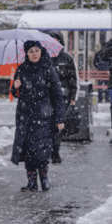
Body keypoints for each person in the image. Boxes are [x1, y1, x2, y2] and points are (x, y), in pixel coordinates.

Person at [10, 41, 65, 192]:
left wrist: (60, 118)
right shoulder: (21, 69)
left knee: (42, 150)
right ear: (26, 54)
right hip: (24, 116)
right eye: (31, 51)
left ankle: (44, 179)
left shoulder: (48, 69)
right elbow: (16, 94)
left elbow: (58, 95)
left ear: (41, 51)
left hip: (43, 116)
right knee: (27, 150)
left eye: (37, 50)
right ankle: (31, 182)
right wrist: (15, 87)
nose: (34, 54)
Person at [47, 31, 79, 164]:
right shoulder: (43, 57)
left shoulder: (67, 58)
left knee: (58, 125)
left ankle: (55, 152)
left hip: (62, 97)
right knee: (46, 125)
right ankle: (47, 151)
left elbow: (72, 79)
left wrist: (72, 96)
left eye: (56, 41)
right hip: (45, 96)